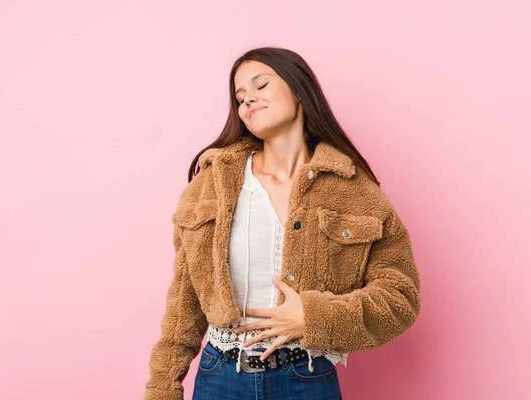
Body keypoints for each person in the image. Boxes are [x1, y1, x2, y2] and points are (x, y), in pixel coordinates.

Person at [143, 46, 421, 400]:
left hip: (306, 378)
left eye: (261, 85)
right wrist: (162, 388)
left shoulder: (356, 191)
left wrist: (315, 317)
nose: (247, 101)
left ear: (299, 89)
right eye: (240, 96)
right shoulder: (211, 185)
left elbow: (400, 297)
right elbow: (183, 305)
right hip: (220, 379)